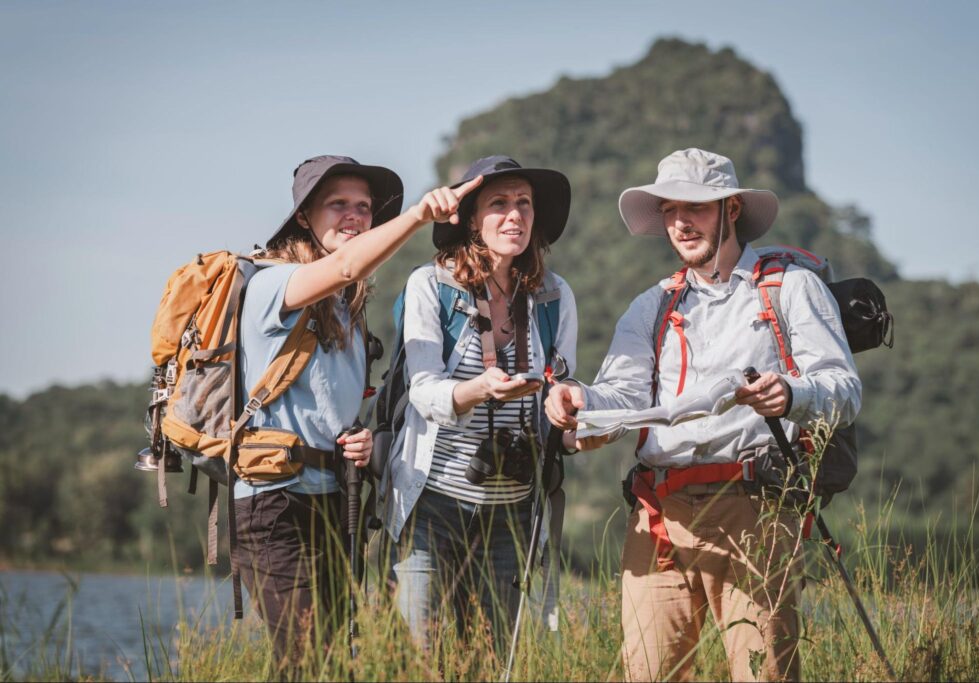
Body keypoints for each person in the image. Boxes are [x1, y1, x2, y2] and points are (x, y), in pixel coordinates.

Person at [545, 148, 861, 682]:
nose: (680, 222)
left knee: (763, 674)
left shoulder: (791, 286)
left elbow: (845, 389)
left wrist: (790, 393)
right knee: (648, 673)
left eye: (696, 207)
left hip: (755, 506)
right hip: (659, 513)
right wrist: (580, 400)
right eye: (669, 210)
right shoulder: (652, 305)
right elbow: (622, 393)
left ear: (731, 209)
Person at [234, 155, 479, 672]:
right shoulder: (272, 285)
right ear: (304, 216)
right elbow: (347, 264)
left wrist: (358, 441)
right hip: (272, 505)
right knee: (306, 663)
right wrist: (416, 216)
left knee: (337, 664)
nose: (354, 216)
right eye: (338, 205)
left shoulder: (345, 305)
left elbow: (328, 407)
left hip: (331, 502)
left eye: (363, 208)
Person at [384, 155, 578, 656]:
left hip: (512, 509)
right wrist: (479, 390)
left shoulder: (555, 297)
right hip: (431, 504)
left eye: (524, 205)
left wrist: (568, 406)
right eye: (499, 205)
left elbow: (561, 380)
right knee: (417, 656)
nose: (515, 216)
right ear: (471, 219)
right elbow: (423, 389)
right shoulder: (432, 286)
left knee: (489, 660)